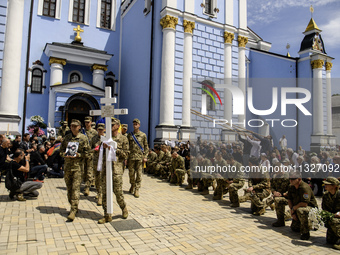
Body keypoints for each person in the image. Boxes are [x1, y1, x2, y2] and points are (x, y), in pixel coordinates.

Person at [98, 118, 129, 223]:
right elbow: (99, 152)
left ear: (117, 125)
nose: (110, 126)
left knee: (118, 191)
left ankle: (123, 208)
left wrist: (114, 149)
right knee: (105, 192)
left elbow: (126, 154)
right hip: (106, 168)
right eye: (109, 124)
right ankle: (107, 214)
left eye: (112, 124)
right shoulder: (105, 138)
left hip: (117, 169)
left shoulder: (123, 138)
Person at [59, 119, 90, 221]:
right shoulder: (67, 138)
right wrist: (64, 154)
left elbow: (88, 153)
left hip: (77, 168)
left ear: (79, 127)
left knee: (76, 189)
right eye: (72, 126)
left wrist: (79, 155)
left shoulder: (83, 138)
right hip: (67, 167)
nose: (73, 128)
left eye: (75, 126)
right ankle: (73, 205)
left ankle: (73, 210)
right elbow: (61, 151)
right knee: (69, 189)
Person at [286, 171, 318, 240]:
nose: (291, 181)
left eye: (293, 179)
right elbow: (289, 199)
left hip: (310, 208)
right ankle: (306, 224)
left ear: (299, 179)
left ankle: (305, 233)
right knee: (294, 228)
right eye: (290, 179)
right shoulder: (291, 187)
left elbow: (304, 203)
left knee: (300, 210)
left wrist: (294, 209)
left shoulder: (304, 187)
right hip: (297, 208)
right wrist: (292, 211)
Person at [127, 118, 148, 198]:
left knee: (139, 174)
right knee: (131, 174)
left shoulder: (143, 135)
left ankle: (137, 189)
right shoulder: (130, 135)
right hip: (131, 158)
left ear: (139, 125)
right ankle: (132, 185)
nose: (135, 125)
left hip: (140, 158)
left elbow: (146, 147)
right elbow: (127, 146)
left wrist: (145, 156)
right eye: (134, 124)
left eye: (136, 124)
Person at [322, 177, 340, 249]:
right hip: (332, 217)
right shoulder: (325, 195)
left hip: (337, 218)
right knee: (330, 240)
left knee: (333, 220)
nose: (325, 185)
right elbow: (324, 208)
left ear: (334, 186)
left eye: (327, 184)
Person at [82, 116, 98, 196]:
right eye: (85, 122)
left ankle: (87, 187)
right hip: (83, 154)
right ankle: (85, 183)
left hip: (91, 155)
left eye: (88, 122)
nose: (86, 123)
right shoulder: (82, 132)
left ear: (91, 122)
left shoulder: (94, 132)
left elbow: (96, 143)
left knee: (89, 171)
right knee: (83, 171)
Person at [91, 123, 105, 206]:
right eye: (99, 129)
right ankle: (99, 192)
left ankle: (101, 195)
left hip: (104, 161)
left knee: (102, 178)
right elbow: (90, 149)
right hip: (96, 161)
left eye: (101, 129)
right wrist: (94, 149)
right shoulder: (94, 138)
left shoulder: (107, 138)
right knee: (97, 178)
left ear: (104, 129)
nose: (100, 131)